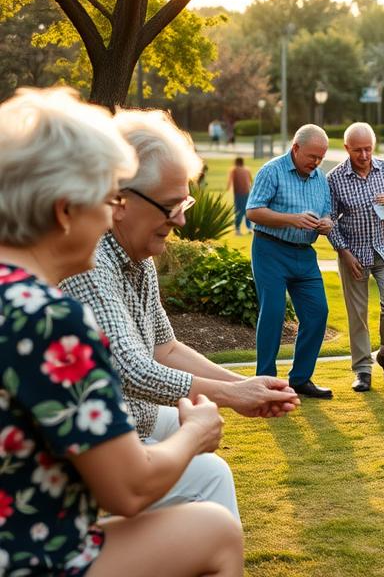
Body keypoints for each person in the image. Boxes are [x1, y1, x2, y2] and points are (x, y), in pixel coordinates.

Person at [0, 87, 242, 577]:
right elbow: (127, 489)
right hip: (32, 556)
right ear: (66, 210)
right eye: (108, 198)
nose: (113, 215)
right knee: (215, 531)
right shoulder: (50, 320)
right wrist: (194, 432)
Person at [62, 109, 300, 519]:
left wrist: (245, 385)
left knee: (200, 454)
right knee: (211, 476)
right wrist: (232, 395)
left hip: (133, 417)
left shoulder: (137, 257)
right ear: (119, 201)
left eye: (184, 202)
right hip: (91, 436)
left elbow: (165, 348)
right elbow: (130, 369)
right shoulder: (90, 259)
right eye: (171, 206)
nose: (182, 220)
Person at [245, 124, 335, 399]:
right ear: (295, 148)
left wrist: (326, 223)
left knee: (318, 313)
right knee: (272, 312)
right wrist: (291, 219)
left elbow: (328, 211)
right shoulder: (272, 171)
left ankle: (300, 379)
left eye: (321, 158)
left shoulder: (320, 178)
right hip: (270, 250)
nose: (317, 163)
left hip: (305, 255)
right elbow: (253, 211)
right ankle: (266, 379)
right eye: (312, 157)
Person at [328, 123, 384, 392]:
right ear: (346, 149)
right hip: (354, 255)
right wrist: (344, 252)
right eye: (357, 150)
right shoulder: (335, 179)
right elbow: (330, 221)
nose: (364, 155)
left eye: (368, 149)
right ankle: (363, 370)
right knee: (358, 315)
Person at [226, 156, 254, 235]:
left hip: (238, 193)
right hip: (247, 192)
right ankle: (249, 228)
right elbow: (251, 181)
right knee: (247, 210)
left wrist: (227, 189)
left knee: (238, 211)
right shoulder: (247, 169)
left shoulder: (234, 170)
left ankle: (237, 229)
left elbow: (230, 181)